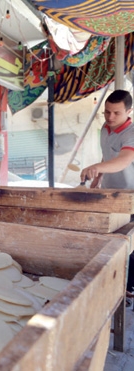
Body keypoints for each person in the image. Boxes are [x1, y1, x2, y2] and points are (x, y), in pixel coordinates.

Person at [80, 89, 134, 302]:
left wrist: (95, 166)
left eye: (116, 113)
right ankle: (116, 283)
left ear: (129, 111)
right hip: (112, 195)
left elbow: (123, 160)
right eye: (107, 112)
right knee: (115, 242)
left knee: (130, 244)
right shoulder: (105, 128)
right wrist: (97, 178)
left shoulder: (131, 133)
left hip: (131, 196)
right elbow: (107, 154)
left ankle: (129, 287)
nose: (110, 117)